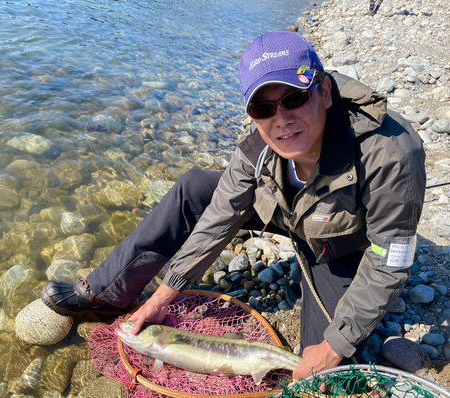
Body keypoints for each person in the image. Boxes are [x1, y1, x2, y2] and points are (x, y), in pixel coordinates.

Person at [42, 31, 425, 380]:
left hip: (340, 244)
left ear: (324, 91)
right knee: (194, 186)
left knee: (317, 370)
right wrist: (164, 297)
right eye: (263, 108)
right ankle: (108, 292)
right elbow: (219, 218)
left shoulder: (390, 152)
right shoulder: (257, 147)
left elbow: (389, 259)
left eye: (294, 98)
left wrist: (333, 347)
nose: (283, 120)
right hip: (287, 214)